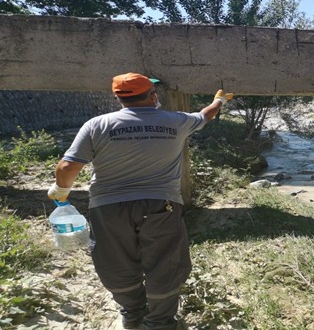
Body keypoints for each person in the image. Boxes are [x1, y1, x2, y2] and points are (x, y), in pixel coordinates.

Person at [47, 72, 233, 330]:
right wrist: (220, 101)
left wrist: (61, 189)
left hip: (108, 208)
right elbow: (206, 115)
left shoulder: (96, 125)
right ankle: (160, 322)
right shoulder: (176, 121)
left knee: (115, 263)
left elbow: (68, 166)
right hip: (161, 206)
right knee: (165, 264)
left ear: (118, 98)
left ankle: (133, 315)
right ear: (153, 96)